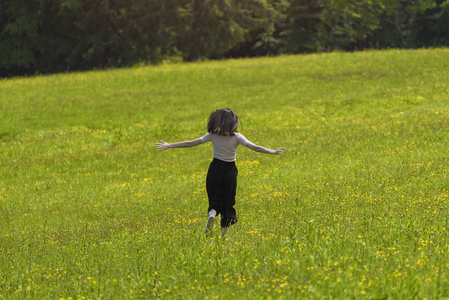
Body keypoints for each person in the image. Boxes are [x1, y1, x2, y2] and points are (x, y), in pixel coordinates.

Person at [155, 108, 286, 237]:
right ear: (233, 122)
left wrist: (170, 145)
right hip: (229, 171)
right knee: (228, 200)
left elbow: (191, 143)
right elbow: (255, 147)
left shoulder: (213, 135)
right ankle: (224, 234)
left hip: (215, 169)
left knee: (214, 198)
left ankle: (211, 216)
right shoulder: (237, 137)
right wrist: (272, 151)